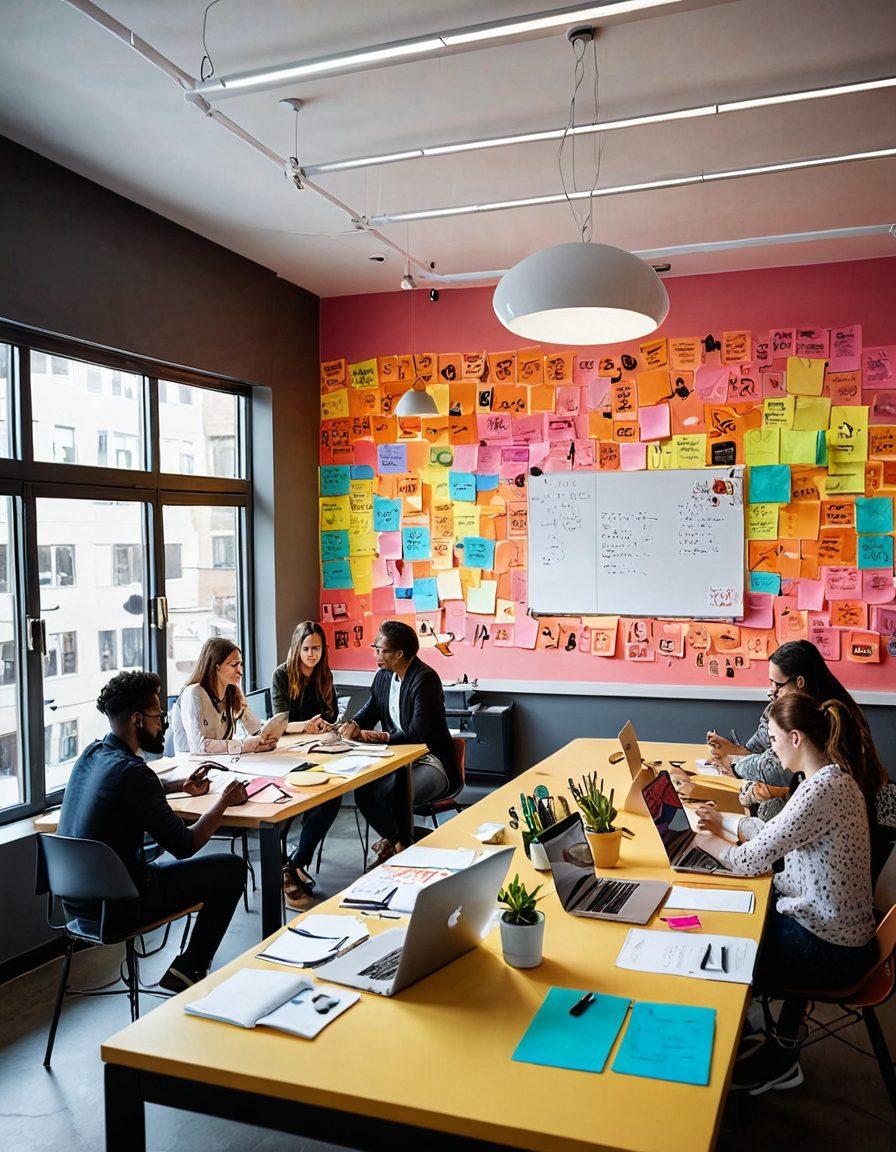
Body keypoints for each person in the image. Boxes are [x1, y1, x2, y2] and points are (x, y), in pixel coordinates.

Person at [694, 691, 886, 1094]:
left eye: (774, 739)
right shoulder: (829, 778)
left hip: (834, 950)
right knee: (739, 925)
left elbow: (750, 861)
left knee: (729, 953)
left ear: (795, 738)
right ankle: (763, 1038)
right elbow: (776, 833)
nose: (772, 750)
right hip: (838, 934)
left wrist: (706, 842)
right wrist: (724, 820)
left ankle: (769, 1058)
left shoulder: (820, 790)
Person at [58, 671, 249, 993]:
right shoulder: (134, 774)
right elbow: (185, 845)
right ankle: (189, 969)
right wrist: (224, 802)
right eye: (157, 716)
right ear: (137, 720)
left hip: (76, 905)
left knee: (165, 866)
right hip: (120, 907)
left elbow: (127, 786)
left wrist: (177, 784)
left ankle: (188, 969)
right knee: (231, 869)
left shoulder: (93, 754)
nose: (163, 723)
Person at [696, 640, 882, 821]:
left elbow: (777, 769)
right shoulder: (783, 705)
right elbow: (761, 747)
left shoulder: (827, 715)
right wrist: (735, 751)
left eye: (777, 684)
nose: (771, 691)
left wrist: (733, 764)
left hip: (835, 815)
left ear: (799, 681)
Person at [339, 620, 459, 863]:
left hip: (431, 760)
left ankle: (402, 846)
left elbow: (416, 734)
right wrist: (352, 725)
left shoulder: (425, 679)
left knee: (391, 794)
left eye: (381, 650)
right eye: (375, 648)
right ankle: (400, 844)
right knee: (364, 792)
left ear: (399, 654)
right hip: (397, 760)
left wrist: (379, 737)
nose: (376, 655)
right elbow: (371, 710)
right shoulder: (383, 676)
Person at [271, 622, 341, 909]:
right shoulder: (282, 674)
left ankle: (295, 863)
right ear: (297, 648)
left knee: (332, 797)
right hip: (287, 754)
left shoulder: (324, 674)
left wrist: (325, 724)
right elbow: (279, 722)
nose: (312, 655)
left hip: (318, 750)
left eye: (317, 649)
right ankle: (288, 866)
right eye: (307, 649)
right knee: (297, 799)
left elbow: (332, 714)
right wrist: (305, 726)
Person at [169, 637, 277, 755]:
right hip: (193, 764)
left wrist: (264, 739)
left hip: (221, 761)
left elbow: (255, 728)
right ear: (217, 666)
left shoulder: (231, 692)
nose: (240, 671)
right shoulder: (193, 693)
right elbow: (198, 747)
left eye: (240, 665)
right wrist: (242, 745)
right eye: (233, 665)